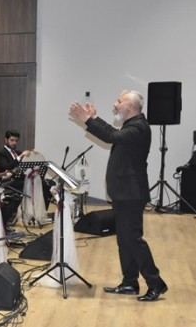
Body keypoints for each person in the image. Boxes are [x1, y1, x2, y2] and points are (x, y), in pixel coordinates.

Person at [69, 90, 168, 302]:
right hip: (125, 193)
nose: (115, 104)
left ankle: (156, 283)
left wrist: (88, 120)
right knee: (124, 240)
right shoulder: (132, 125)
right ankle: (130, 282)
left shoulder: (139, 127)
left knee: (132, 239)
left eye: (119, 101)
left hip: (131, 194)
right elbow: (113, 134)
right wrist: (95, 118)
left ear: (130, 106)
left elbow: (111, 137)